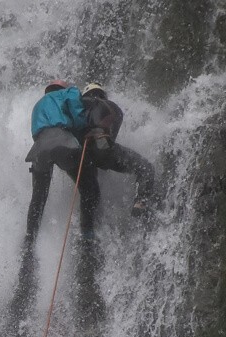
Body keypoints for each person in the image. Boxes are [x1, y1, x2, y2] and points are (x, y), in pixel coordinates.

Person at [22, 79, 98, 246]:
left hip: (39, 148)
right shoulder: (68, 92)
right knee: (88, 187)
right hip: (62, 141)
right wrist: (85, 129)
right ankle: (87, 233)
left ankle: (29, 238)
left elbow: (35, 133)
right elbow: (76, 113)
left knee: (39, 196)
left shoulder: (38, 105)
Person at [78, 83, 160, 219]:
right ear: (102, 94)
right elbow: (111, 137)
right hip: (101, 145)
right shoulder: (110, 105)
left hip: (81, 153)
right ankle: (140, 203)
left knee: (91, 190)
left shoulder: (78, 107)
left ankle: (90, 225)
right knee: (146, 168)